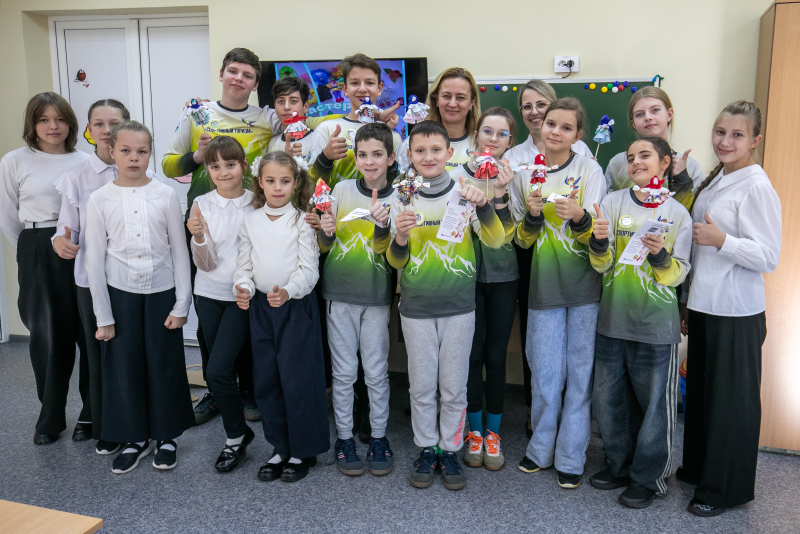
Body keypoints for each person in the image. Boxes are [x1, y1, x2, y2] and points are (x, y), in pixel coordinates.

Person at [378, 121, 509, 490]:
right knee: (421, 387)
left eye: (436, 149)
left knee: (453, 387)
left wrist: (483, 206)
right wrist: (400, 238)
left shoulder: (465, 191)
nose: (428, 156)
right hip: (416, 308)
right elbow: (395, 261)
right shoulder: (402, 196)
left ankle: (450, 449)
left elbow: (496, 240)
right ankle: (427, 448)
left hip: (458, 307)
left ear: (449, 153)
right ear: (409, 155)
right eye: (420, 151)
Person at [677, 101, 781, 517]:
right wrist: (687, 302)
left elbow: (769, 256)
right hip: (706, 305)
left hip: (736, 312)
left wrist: (723, 241)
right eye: (721, 132)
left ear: (755, 140)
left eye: (737, 135)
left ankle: (724, 490)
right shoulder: (718, 177)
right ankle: (699, 470)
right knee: (704, 396)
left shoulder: (756, 186)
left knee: (730, 405)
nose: (725, 141)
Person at [162, 47, 270, 426]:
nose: (239, 79)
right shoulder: (196, 114)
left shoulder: (265, 119)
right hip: (202, 221)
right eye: (233, 71)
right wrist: (196, 156)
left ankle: (249, 390)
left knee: (247, 312)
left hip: (248, 219)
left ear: (255, 84)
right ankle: (215, 390)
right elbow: (168, 165)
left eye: (247, 75)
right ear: (222, 74)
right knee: (208, 315)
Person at [588, 137, 691, 509]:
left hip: (655, 327)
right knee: (608, 401)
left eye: (645, 155)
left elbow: (679, 273)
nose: (635, 162)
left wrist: (660, 256)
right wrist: (599, 242)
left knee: (655, 407)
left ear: (665, 163)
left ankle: (649, 478)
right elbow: (602, 265)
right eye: (630, 157)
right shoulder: (612, 203)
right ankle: (619, 465)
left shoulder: (677, 213)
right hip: (613, 319)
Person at [85, 121, 194, 474]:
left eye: (142, 151)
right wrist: (103, 316)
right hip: (120, 296)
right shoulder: (99, 199)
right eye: (126, 151)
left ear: (150, 154)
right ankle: (135, 438)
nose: (134, 158)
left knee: (164, 365)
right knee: (125, 368)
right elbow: (94, 259)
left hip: (161, 293)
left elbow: (179, 251)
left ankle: (166, 436)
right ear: (112, 152)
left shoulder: (165, 195)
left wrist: (182, 304)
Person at [511, 97, 606, 489]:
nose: (555, 131)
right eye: (551, 123)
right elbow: (521, 239)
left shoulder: (589, 169)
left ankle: (571, 456)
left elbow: (599, 234)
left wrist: (580, 216)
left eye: (566, 127)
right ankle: (540, 450)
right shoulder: (525, 174)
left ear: (578, 135)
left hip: (584, 288)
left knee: (580, 376)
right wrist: (533, 216)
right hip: (545, 286)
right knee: (545, 373)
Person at [52, 99, 154, 455]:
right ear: (89, 130)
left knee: (133, 352)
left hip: (136, 279)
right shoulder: (77, 177)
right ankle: (106, 424)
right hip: (92, 280)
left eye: (115, 123)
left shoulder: (144, 173)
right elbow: (66, 227)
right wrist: (60, 240)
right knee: (100, 354)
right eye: (99, 124)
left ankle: (142, 422)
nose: (107, 130)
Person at [0, 92, 89, 445]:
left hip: (83, 247)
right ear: (32, 124)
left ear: (71, 123)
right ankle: (50, 418)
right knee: (48, 337)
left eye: (60, 119)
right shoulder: (15, 160)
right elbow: (8, 216)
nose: (53, 126)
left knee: (90, 332)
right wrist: (33, 249)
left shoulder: (86, 160)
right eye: (43, 119)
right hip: (38, 247)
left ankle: (92, 415)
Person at [504, 80, 592, 438]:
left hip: (574, 259)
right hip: (533, 255)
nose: (536, 113)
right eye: (527, 106)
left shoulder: (583, 157)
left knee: (576, 351)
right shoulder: (515, 158)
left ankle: (571, 424)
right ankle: (536, 413)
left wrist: (577, 215)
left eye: (542, 104)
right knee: (538, 343)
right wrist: (532, 214)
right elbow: (515, 219)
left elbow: (591, 213)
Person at [235, 151, 329, 483]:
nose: (278, 187)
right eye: (271, 180)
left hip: (294, 306)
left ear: (295, 183)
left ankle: (303, 449)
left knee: (298, 380)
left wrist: (288, 291)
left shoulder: (302, 220)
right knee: (267, 380)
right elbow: (244, 266)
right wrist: (243, 287)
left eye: (285, 181)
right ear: (260, 183)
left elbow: (310, 270)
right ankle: (280, 446)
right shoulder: (250, 221)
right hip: (261, 309)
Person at [319, 123, 396, 477]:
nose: (369, 161)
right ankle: (344, 438)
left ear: (390, 158)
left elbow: (398, 253)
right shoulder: (341, 189)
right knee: (344, 372)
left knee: (376, 372)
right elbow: (325, 243)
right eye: (362, 154)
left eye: (377, 154)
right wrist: (325, 231)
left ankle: (378, 437)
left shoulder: (401, 197)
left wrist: (385, 227)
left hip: (377, 297)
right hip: (339, 295)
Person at [449, 107, 517, 471]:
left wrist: (501, 193)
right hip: (467, 278)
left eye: (501, 134)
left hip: (504, 276)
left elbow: (512, 235)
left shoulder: (516, 176)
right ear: (476, 135)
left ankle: (493, 434)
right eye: (487, 131)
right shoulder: (456, 175)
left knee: (495, 357)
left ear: (511, 141)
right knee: (472, 357)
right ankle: (473, 433)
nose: (493, 138)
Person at [187, 136, 256, 473]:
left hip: (242, 297)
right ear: (208, 170)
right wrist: (199, 236)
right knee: (219, 373)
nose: (223, 171)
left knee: (217, 370)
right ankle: (239, 432)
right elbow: (205, 263)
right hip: (208, 295)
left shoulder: (258, 202)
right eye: (215, 166)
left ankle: (235, 437)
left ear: (243, 165)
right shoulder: (201, 203)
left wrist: (248, 285)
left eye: (230, 164)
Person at [309, 52, 402, 188]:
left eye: (369, 82)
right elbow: (310, 184)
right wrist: (325, 158)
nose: (362, 89)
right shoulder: (326, 130)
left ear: (379, 88)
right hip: (336, 202)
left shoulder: (393, 136)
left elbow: (398, 185)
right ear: (345, 89)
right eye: (355, 83)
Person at [604, 86, 702, 209]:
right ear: (633, 124)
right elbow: (607, 207)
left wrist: (682, 179)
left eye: (655, 110)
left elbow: (693, 213)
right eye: (639, 114)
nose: (648, 117)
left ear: (669, 114)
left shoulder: (690, 166)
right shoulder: (618, 163)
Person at [396, 67, 480, 173]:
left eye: (461, 97)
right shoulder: (413, 142)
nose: (452, 104)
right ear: (437, 100)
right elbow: (400, 180)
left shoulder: (480, 144)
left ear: (471, 102)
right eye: (446, 96)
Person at [266, 76, 319, 163]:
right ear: (275, 107)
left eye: (293, 101)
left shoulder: (318, 140)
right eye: (280, 101)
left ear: (305, 106)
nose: (286, 107)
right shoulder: (272, 143)